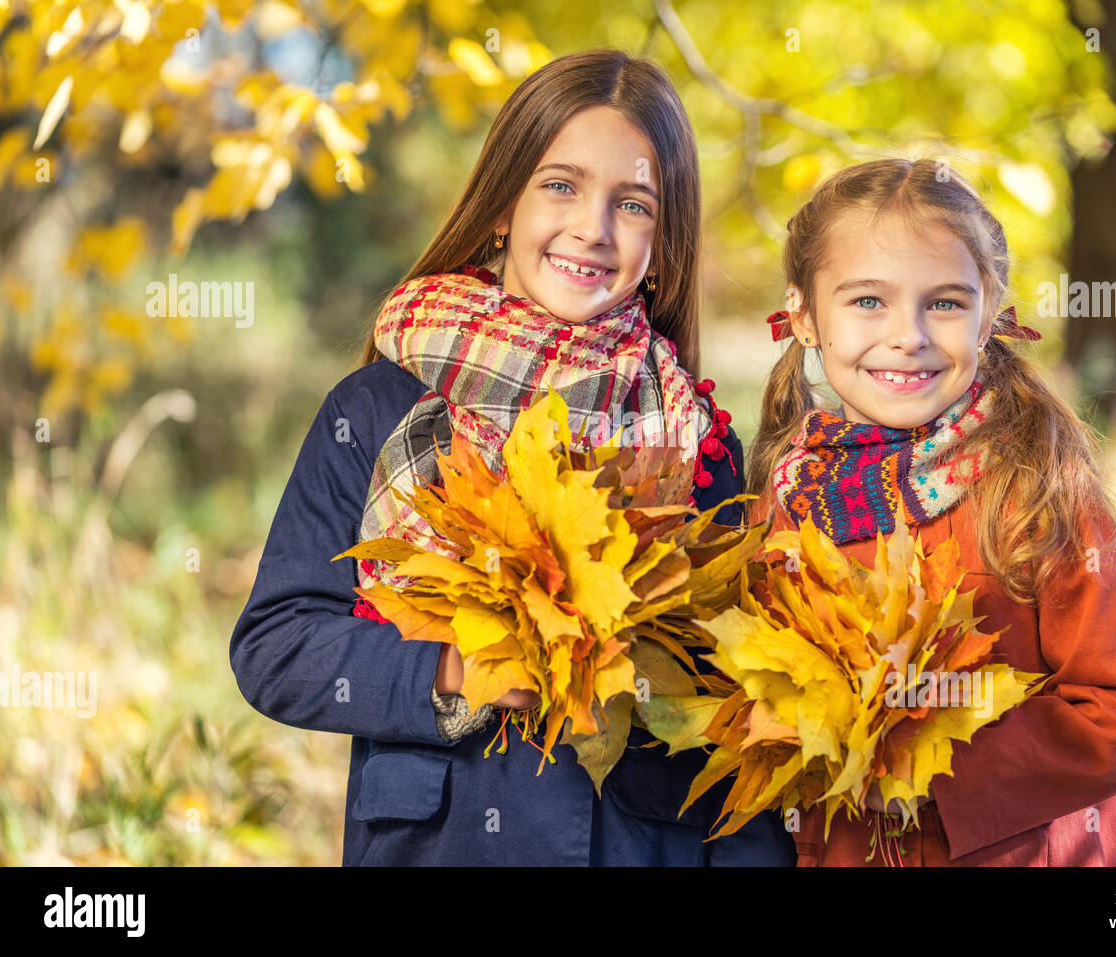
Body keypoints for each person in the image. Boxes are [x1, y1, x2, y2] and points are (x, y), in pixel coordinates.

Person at [230, 49, 794, 866]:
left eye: (632, 204)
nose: (591, 229)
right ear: (501, 207)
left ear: (665, 247)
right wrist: (451, 671)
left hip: (634, 843)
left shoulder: (693, 436)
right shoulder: (377, 409)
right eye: (559, 185)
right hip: (443, 840)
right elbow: (278, 643)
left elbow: (724, 690)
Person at [747, 157, 1116, 866]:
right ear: (803, 317)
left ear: (987, 317)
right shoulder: (791, 492)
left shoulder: (1032, 491)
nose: (908, 335)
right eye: (867, 302)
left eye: (944, 303)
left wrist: (941, 767)